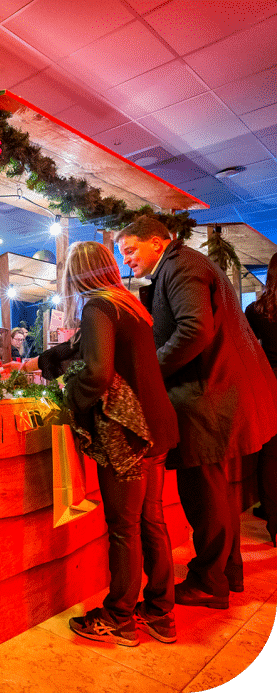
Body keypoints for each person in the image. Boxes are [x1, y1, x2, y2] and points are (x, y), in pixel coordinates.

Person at [116, 215, 277, 608]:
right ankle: (227, 573)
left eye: (131, 251)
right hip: (218, 392)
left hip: (208, 396)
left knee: (202, 490)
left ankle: (209, 582)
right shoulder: (182, 264)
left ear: (158, 242)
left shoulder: (181, 264)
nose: (127, 262)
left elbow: (194, 330)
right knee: (215, 488)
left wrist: (148, 373)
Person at [23, 241, 180, 646]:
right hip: (157, 429)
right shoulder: (127, 304)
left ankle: (120, 618)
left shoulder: (97, 307)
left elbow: (96, 371)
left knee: (124, 528)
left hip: (129, 435)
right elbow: (79, 347)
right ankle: (161, 613)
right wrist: (34, 363)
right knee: (151, 521)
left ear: (78, 274)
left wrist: (67, 396)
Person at [244, 250, 277, 546]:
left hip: (270, 385)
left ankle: (274, 522)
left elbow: (248, 350)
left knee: (270, 455)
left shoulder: (255, 311)